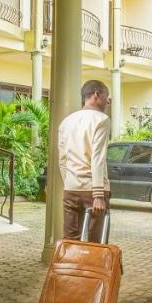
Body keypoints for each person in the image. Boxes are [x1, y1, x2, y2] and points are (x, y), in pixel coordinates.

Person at [56, 80, 111, 240]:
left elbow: (62, 158)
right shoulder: (101, 119)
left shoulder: (66, 121)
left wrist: (69, 182)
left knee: (70, 242)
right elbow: (98, 157)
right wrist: (98, 195)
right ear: (96, 94)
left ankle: (71, 265)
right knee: (96, 242)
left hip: (71, 189)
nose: (107, 101)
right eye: (106, 97)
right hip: (93, 191)